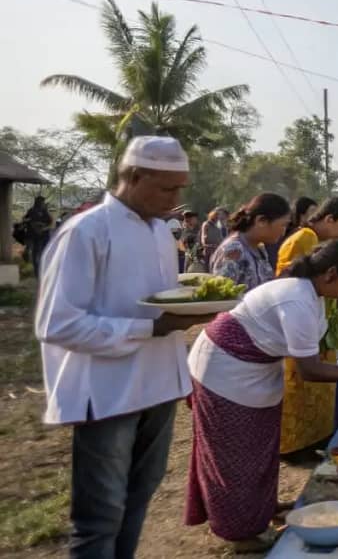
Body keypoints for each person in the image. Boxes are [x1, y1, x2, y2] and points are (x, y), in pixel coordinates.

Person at [34, 136, 210, 558]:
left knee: (137, 500)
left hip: (160, 383)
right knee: (101, 516)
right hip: (109, 390)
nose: (177, 199)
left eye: (181, 187)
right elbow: (57, 323)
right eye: (168, 188)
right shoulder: (86, 231)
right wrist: (147, 329)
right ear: (133, 176)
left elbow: (162, 302)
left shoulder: (160, 233)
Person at [185, 240, 338, 551]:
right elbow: (310, 369)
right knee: (237, 457)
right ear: (331, 273)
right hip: (224, 372)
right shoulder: (297, 299)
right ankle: (241, 533)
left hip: (253, 371)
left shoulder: (311, 294)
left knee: (261, 449)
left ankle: (262, 509)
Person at [275, 197, 338, 454]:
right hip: (300, 322)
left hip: (316, 318)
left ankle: (316, 439)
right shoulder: (305, 239)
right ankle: (297, 445)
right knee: (304, 386)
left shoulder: (310, 238)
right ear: (328, 218)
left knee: (318, 391)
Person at [209, 194, 291, 292]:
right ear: (261, 221)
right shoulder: (234, 249)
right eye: (283, 225)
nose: (283, 232)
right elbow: (221, 295)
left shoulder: (260, 249)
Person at [22, 195, 53, 278]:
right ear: (38, 202)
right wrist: (32, 223)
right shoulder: (31, 211)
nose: (43, 203)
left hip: (44, 235)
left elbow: (50, 222)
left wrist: (43, 226)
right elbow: (25, 219)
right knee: (36, 254)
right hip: (35, 236)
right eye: (42, 202)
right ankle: (37, 272)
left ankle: (42, 271)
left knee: (43, 253)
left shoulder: (44, 211)